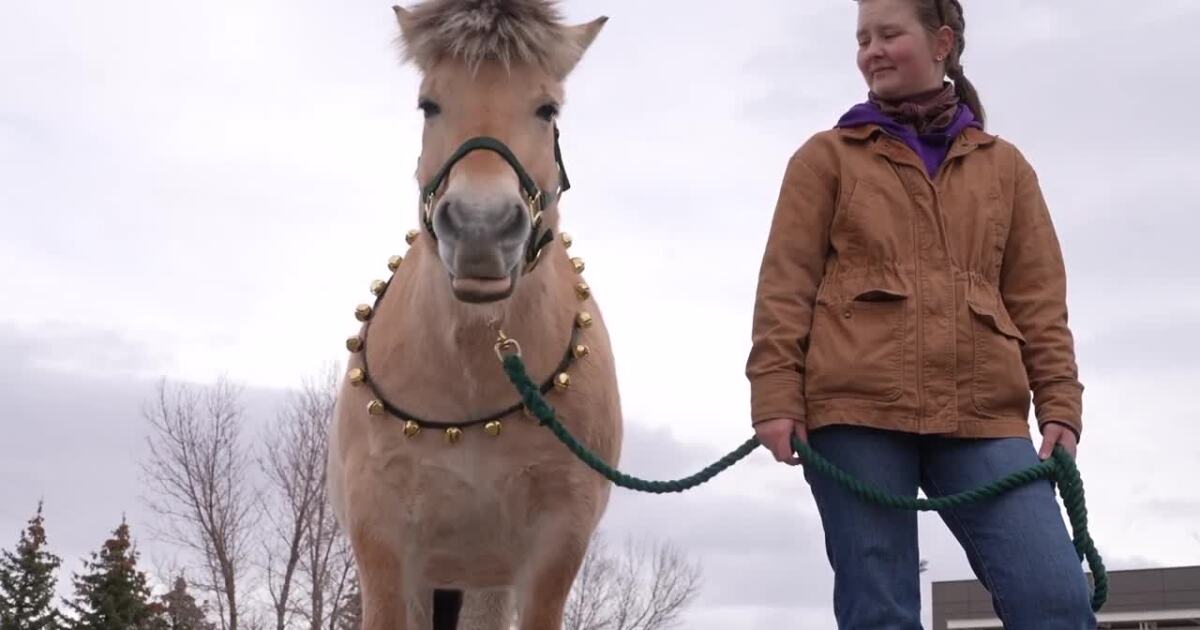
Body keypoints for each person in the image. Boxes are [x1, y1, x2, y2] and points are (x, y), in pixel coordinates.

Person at [745, 0, 1095, 627]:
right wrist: (775, 393)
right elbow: (785, 286)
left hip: (985, 412)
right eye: (862, 39)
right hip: (855, 411)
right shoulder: (825, 159)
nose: (871, 51)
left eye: (888, 35)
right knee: (880, 609)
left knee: (1056, 599)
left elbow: (1039, 300)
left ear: (941, 43)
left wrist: (1060, 403)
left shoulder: (1005, 167)